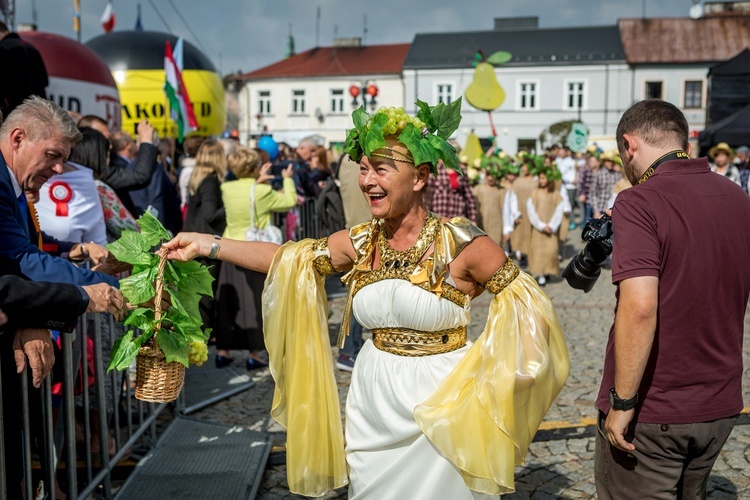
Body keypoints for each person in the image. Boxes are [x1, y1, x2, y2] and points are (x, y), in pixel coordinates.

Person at [163, 101, 569, 498]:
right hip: (372, 399)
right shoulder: (361, 240)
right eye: (363, 169)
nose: (368, 180)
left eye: (382, 168)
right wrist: (207, 244)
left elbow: (528, 306)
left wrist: (499, 382)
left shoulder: (461, 242)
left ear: (420, 177)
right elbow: (288, 258)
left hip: (445, 405)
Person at [595, 99, 750, 499]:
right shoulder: (737, 197)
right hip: (719, 404)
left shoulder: (640, 200)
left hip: (655, 409)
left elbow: (640, 306)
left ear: (629, 145)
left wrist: (623, 401)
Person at [215, 147, 295, 370]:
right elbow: (289, 200)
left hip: (229, 247)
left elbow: (245, 192)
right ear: (254, 168)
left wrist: (258, 181)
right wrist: (287, 179)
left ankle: (223, 350)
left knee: (228, 303)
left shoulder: (226, 187)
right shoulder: (261, 191)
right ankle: (254, 353)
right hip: (253, 250)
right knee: (255, 303)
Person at [0, 21, 48, 118]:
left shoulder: (2, 49)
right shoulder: (32, 48)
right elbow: (44, 82)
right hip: (36, 113)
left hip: (12, 114)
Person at [526, 167, 564, 286]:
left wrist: (552, 226)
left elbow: (559, 210)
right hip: (539, 230)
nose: (541, 181)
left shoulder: (556, 194)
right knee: (538, 252)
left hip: (551, 229)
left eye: (543, 178)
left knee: (551, 251)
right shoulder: (535, 193)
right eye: (540, 178)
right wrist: (541, 226)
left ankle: (548, 271)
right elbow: (531, 210)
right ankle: (541, 274)